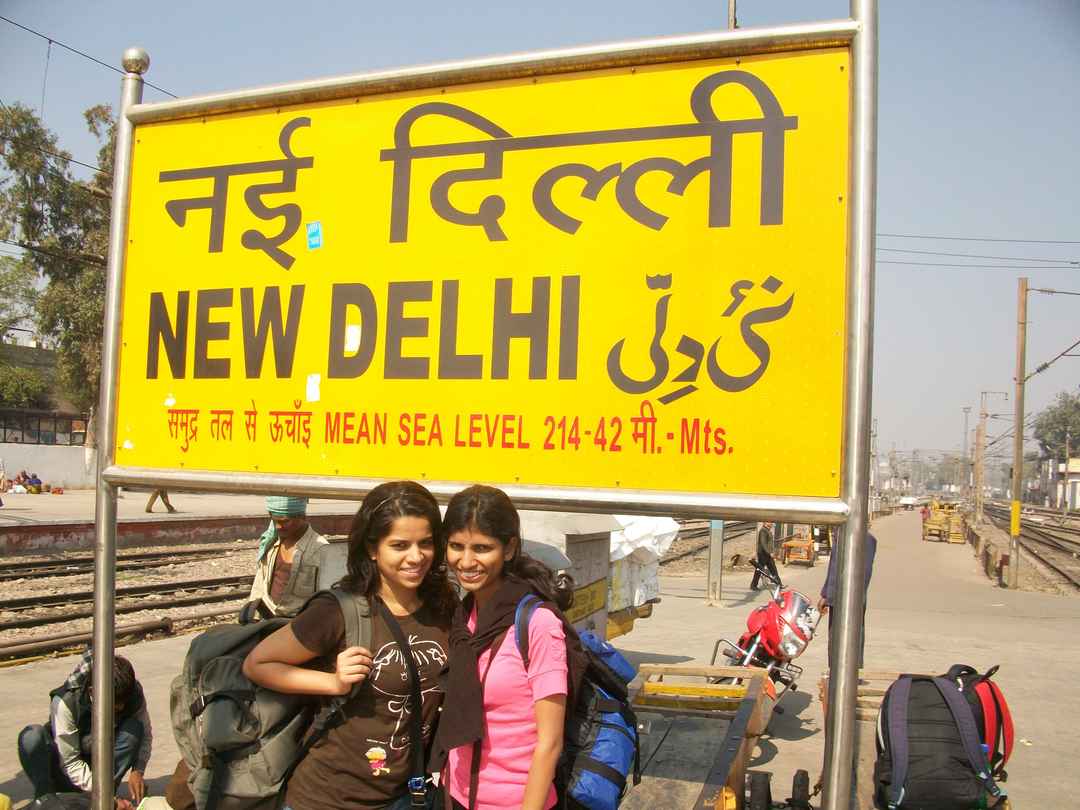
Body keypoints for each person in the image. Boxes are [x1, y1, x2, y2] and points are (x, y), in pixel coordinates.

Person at [243, 481, 456, 810]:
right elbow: (258, 664)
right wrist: (333, 682)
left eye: (425, 543)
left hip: (404, 795)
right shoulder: (340, 609)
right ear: (372, 548)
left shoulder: (444, 607)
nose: (416, 557)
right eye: (399, 545)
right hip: (326, 798)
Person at [431, 485, 578, 810]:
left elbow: (549, 743)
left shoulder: (537, 624)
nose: (466, 561)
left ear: (509, 548)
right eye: (456, 546)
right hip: (456, 795)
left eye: (482, 548)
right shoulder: (464, 614)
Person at [17, 652, 151, 809]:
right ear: (93, 693)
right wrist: (109, 799)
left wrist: (138, 770)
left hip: (101, 768)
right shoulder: (65, 701)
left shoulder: (133, 692)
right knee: (31, 736)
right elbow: (71, 763)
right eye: (114, 705)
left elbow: (146, 734)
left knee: (133, 729)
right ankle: (46, 799)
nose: (120, 708)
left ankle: (104, 791)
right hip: (65, 770)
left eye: (122, 704)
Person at [245, 496, 330, 619]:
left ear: (302, 517)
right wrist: (252, 616)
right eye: (274, 521)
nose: (278, 526)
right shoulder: (270, 542)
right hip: (267, 617)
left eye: (285, 521)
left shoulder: (321, 550)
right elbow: (260, 584)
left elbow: (326, 600)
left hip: (300, 623)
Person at [818, 529, 878, 666]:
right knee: (836, 641)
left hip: (849, 598)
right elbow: (833, 568)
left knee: (851, 639)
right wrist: (826, 594)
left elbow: (864, 574)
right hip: (837, 597)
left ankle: (851, 674)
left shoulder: (865, 539)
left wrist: (832, 596)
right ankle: (837, 673)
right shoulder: (841, 536)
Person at [749, 521, 780, 590]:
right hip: (763, 554)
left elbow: (769, 543)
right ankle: (753, 585)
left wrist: (771, 552)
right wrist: (769, 553)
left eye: (771, 522)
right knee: (760, 570)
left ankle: (779, 584)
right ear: (765, 523)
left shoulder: (767, 530)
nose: (771, 523)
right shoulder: (763, 531)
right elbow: (763, 544)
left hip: (767, 554)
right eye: (769, 522)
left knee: (773, 569)